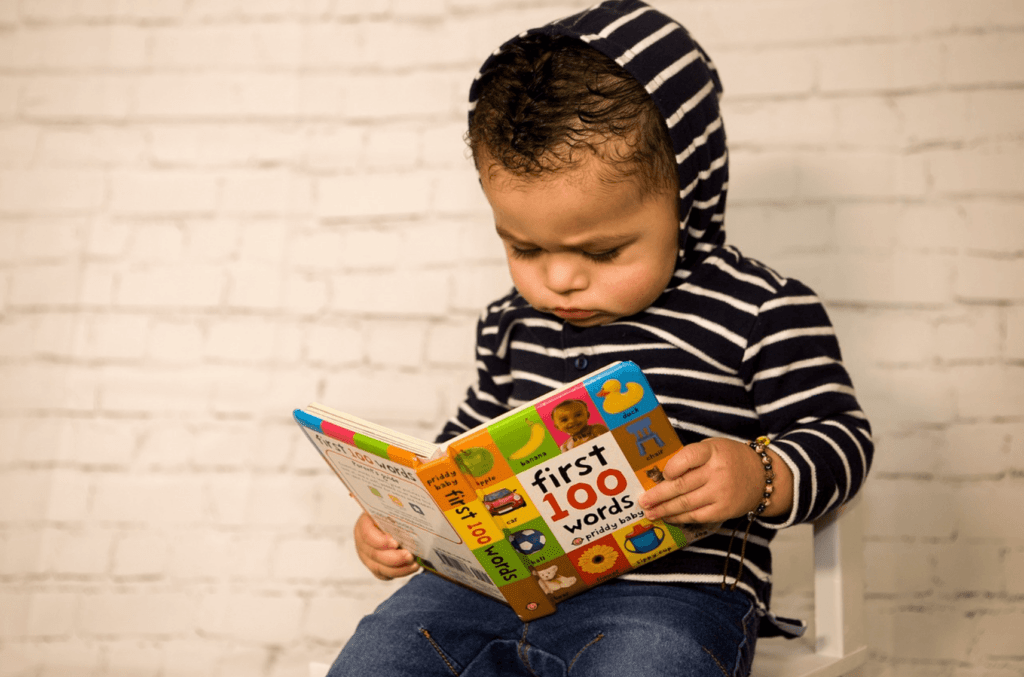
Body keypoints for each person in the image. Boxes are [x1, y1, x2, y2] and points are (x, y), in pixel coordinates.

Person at [336, 2, 873, 675]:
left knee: (650, 663)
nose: (559, 279)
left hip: (672, 598)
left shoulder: (760, 309)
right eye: (523, 246)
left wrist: (762, 474)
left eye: (607, 250)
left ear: (689, 195)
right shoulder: (512, 323)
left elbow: (843, 438)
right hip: (492, 591)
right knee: (379, 653)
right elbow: (458, 456)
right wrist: (408, 521)